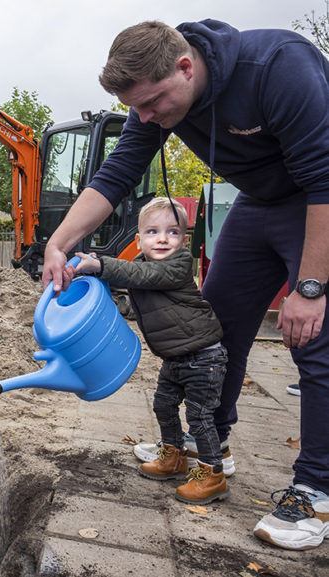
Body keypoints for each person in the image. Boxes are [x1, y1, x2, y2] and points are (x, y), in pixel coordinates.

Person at [42, 20, 329, 550]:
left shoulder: (278, 66)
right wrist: (59, 243)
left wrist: (310, 288)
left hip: (317, 202)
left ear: (185, 67)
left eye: (152, 104)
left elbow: (324, 177)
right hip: (257, 202)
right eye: (139, 109)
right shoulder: (153, 99)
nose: (147, 118)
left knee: (315, 339)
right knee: (211, 328)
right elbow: (117, 172)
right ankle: (210, 445)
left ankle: (316, 486)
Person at [71, 198, 228, 503]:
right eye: (153, 231)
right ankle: (173, 456)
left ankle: (212, 475)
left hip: (204, 356)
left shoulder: (178, 265)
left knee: (199, 416)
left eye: (172, 233)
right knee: (163, 405)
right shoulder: (139, 267)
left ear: (184, 240)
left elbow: (142, 278)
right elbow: (134, 295)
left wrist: (101, 264)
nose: (162, 239)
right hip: (175, 357)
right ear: (138, 239)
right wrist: (93, 277)